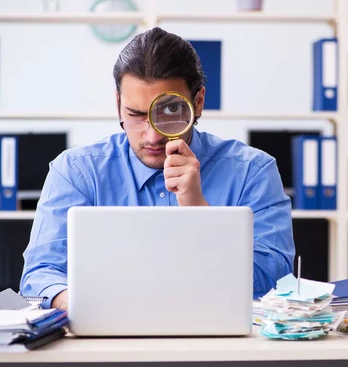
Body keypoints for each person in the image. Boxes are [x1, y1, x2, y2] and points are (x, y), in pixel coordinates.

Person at [19, 27, 295, 310]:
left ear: (198, 103)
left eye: (170, 112)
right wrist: (86, 308)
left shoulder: (253, 172)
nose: (152, 137)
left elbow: (275, 284)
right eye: (135, 115)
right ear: (118, 104)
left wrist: (199, 212)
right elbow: (38, 278)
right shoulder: (76, 172)